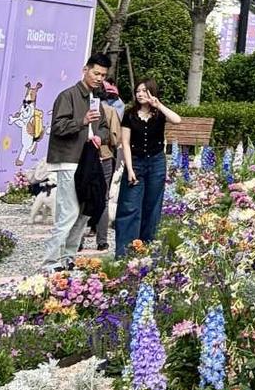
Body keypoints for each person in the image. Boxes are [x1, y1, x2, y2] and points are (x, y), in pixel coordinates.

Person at [41, 53, 110, 269]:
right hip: (69, 160)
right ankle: (50, 261)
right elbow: (58, 127)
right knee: (69, 211)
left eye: (103, 75)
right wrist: (82, 121)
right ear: (85, 70)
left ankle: (68, 257)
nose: (99, 78)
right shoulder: (67, 95)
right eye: (96, 73)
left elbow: (105, 128)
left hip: (89, 159)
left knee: (85, 210)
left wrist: (100, 137)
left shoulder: (96, 99)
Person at [114, 81, 182, 256]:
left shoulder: (159, 114)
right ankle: (124, 253)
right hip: (135, 162)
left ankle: (147, 250)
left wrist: (158, 105)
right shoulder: (129, 114)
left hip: (156, 162)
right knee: (129, 206)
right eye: (138, 91)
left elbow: (177, 120)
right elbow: (125, 143)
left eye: (144, 91)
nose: (140, 94)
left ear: (152, 92)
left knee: (152, 206)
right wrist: (130, 169)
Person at [82, 82, 125, 252]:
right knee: (104, 197)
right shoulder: (110, 110)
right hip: (105, 155)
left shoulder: (83, 108)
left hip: (84, 155)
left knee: (82, 196)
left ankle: (78, 240)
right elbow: (115, 137)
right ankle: (102, 240)